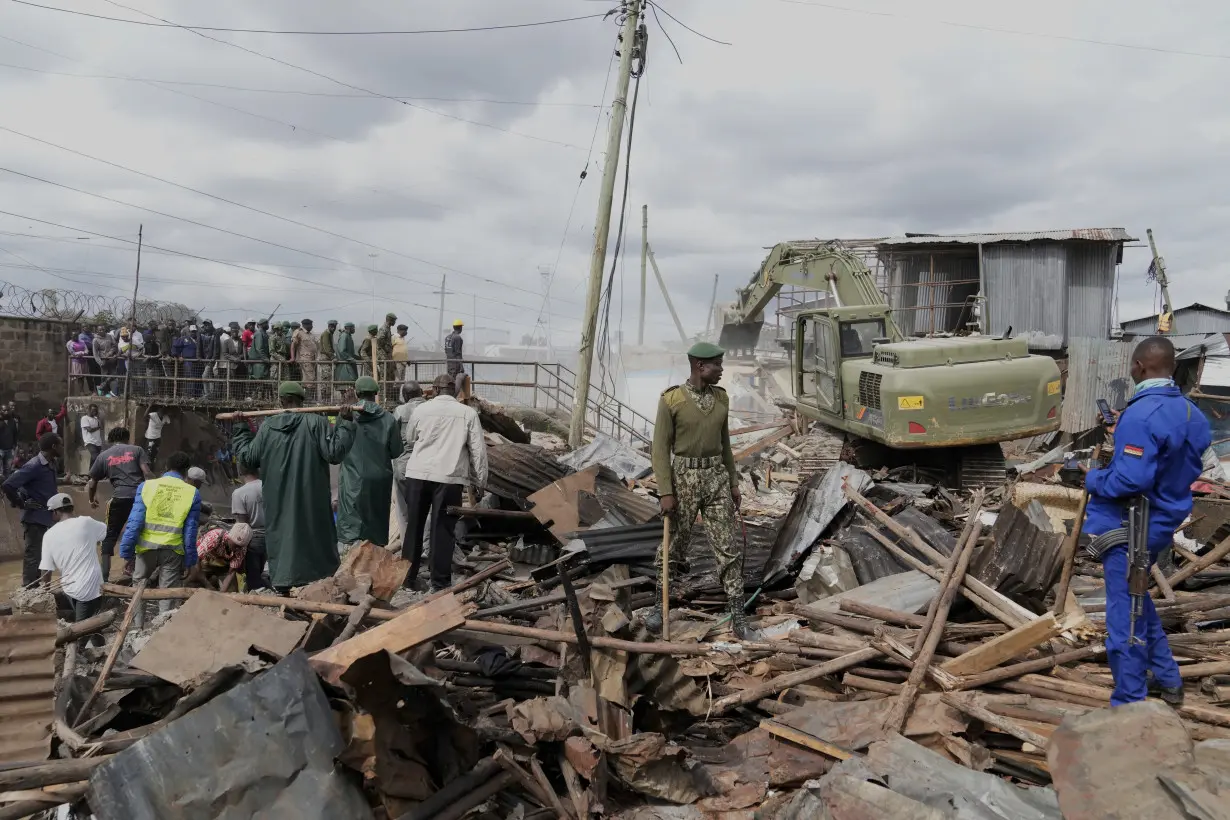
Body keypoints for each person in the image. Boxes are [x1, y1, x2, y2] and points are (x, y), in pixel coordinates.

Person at [1082, 336, 1211, 707]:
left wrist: (1091, 477)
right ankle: (1168, 680)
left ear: (1139, 367)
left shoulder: (1141, 415)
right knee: (1138, 599)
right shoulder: (1191, 413)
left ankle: (1129, 702)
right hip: (1164, 517)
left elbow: (1130, 480)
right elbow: (1178, 460)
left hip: (1133, 525)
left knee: (1125, 616)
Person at [645, 342, 750, 639]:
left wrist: (732, 482)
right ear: (700, 366)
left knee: (727, 547)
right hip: (683, 479)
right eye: (717, 364)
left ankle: (739, 615)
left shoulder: (721, 399)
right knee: (673, 546)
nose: (721, 370)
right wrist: (666, 491)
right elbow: (659, 450)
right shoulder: (671, 400)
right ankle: (658, 607)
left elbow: (726, 444)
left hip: (715, 477)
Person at [231, 382, 356, 591]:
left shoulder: (267, 428)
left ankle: (284, 582)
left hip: (277, 503)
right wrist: (346, 421)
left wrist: (240, 428)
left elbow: (247, 458)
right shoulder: (317, 423)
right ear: (302, 400)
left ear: (280, 401)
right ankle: (319, 583)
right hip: (312, 500)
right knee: (316, 539)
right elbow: (335, 453)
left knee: (282, 538)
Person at [401, 373, 488, 592]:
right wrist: (480, 481)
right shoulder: (468, 413)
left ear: (434, 390)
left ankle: (407, 579)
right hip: (448, 479)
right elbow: (478, 451)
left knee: (414, 527)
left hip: (418, 474)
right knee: (443, 530)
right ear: (456, 392)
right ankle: (439, 583)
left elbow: (411, 437)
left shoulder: (420, 410)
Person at [118, 451, 201, 627]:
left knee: (138, 589)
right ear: (186, 471)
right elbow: (190, 531)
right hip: (173, 550)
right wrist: (190, 560)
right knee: (167, 593)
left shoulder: (146, 486)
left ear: (165, 467)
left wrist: (126, 552)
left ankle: (135, 629)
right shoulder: (192, 492)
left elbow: (135, 521)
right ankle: (161, 630)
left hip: (145, 549)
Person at [336, 376, 403, 547]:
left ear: (357, 393)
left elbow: (337, 447)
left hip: (353, 479)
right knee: (376, 525)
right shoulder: (389, 419)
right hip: (380, 480)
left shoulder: (346, 416)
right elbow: (396, 452)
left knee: (352, 529)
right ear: (376, 393)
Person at [88, 425, 153, 582]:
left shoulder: (103, 456)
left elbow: (92, 482)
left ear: (111, 440)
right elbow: (147, 473)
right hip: (139, 498)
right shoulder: (137, 450)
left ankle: (104, 577)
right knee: (141, 532)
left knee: (109, 536)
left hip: (119, 499)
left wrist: (92, 499)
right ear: (127, 438)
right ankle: (137, 572)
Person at [38, 493, 106, 643]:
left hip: (71, 587)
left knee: (80, 631)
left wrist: (44, 590)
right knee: (93, 622)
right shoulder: (86, 523)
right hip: (93, 584)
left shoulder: (49, 535)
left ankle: (78, 660)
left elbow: (46, 569)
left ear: (55, 512)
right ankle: (101, 651)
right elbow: (105, 533)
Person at [3, 433, 61, 584]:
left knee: (43, 555)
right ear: (54, 447)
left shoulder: (51, 464)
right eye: (60, 444)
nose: (62, 447)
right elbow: (8, 485)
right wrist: (22, 504)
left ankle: (38, 590)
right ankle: (29, 591)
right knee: (33, 556)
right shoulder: (34, 465)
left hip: (46, 518)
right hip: (34, 518)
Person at [392, 381, 426, 549]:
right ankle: (427, 547)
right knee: (426, 511)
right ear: (421, 392)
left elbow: (392, 437)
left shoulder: (400, 411)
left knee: (404, 511)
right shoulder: (430, 409)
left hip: (403, 466)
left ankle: (408, 549)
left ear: (405, 396)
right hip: (426, 467)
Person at [231, 460, 267, 589]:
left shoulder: (239, 493)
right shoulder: (270, 486)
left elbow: (242, 524)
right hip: (275, 536)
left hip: (254, 539)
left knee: (253, 578)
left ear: (241, 472)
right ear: (257, 470)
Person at [194, 522, 253, 592]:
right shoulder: (214, 537)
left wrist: (221, 594)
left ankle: (214, 582)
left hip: (223, 566)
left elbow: (231, 573)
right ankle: (211, 581)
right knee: (195, 583)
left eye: (239, 547)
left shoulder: (241, 550)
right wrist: (207, 585)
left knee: (232, 591)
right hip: (204, 561)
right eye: (235, 545)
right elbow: (196, 560)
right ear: (229, 538)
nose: (237, 549)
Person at [291, 318, 321, 401]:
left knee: (309, 379)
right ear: (305, 325)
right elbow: (293, 345)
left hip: (312, 360)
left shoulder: (310, 334)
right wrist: (293, 357)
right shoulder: (299, 332)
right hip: (304, 359)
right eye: (310, 325)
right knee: (310, 379)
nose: (312, 326)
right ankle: (308, 398)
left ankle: (306, 398)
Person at [92, 327, 119, 397]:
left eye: (103, 329)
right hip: (103, 361)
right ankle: (103, 391)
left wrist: (110, 353)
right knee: (104, 376)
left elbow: (114, 346)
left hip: (111, 359)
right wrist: (100, 362)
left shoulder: (109, 336)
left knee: (113, 376)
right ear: (97, 331)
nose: (102, 331)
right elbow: (95, 353)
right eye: (100, 330)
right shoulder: (95, 340)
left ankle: (112, 392)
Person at [319, 319, 338, 399]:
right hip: (325, 358)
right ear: (329, 326)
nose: (334, 328)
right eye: (332, 326)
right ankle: (324, 399)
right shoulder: (326, 334)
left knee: (328, 380)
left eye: (334, 327)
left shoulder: (329, 334)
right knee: (326, 379)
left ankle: (327, 398)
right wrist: (333, 357)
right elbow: (327, 348)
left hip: (327, 358)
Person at [377, 312, 397, 386]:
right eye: (394, 320)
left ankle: (387, 396)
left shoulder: (388, 328)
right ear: (390, 320)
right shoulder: (384, 328)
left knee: (389, 378)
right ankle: (382, 396)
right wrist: (386, 348)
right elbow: (379, 339)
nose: (395, 322)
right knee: (384, 378)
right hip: (383, 357)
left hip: (387, 356)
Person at [0, 407, 17, 478]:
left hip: (9, 449)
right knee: (0, 471)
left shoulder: (12, 421)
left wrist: (14, 445)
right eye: (4, 410)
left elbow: (15, 434)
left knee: (8, 470)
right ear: (1, 411)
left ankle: (6, 487)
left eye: (7, 410)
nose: (6, 412)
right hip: (0, 449)